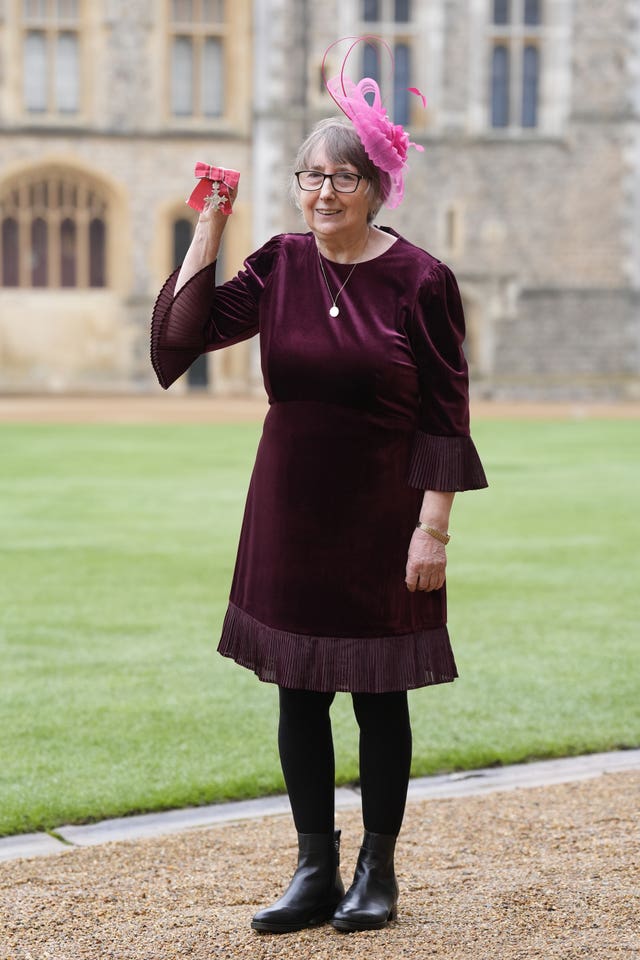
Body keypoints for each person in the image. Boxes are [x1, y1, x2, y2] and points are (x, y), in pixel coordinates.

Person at [151, 37, 487, 935]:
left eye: (343, 177)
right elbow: (180, 340)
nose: (324, 192)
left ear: (377, 184)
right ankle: (314, 868)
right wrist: (209, 230)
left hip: (385, 516)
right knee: (298, 692)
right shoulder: (278, 264)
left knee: (380, 697)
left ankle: (377, 873)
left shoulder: (423, 280)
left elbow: (448, 413)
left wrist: (434, 528)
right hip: (289, 511)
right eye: (309, 177)